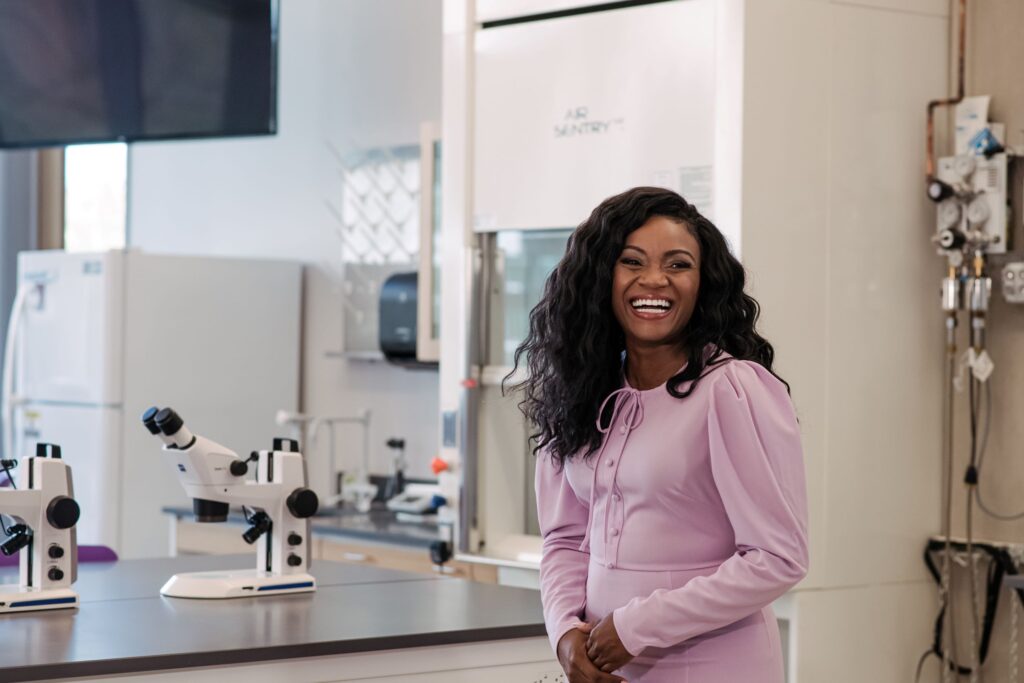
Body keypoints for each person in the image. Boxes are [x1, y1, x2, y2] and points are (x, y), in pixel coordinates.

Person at [508, 187, 808, 682]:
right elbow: (564, 538)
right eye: (632, 261)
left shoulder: (731, 389)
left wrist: (634, 627)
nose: (654, 280)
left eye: (678, 264)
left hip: (713, 665)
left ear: (703, 282)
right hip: (605, 667)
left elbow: (778, 557)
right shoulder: (583, 393)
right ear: (602, 277)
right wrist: (564, 632)